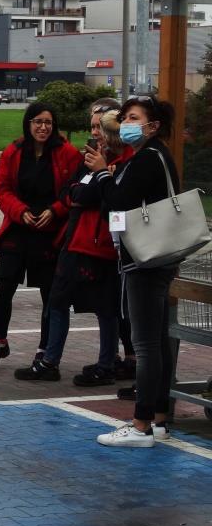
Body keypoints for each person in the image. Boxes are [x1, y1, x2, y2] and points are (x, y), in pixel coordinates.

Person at [86, 96, 179, 448]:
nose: (125, 123)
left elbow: (119, 201)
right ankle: (158, 419)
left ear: (152, 126)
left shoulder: (147, 158)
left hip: (145, 260)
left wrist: (101, 173)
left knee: (146, 344)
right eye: (124, 117)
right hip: (159, 257)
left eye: (133, 118)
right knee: (157, 340)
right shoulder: (156, 155)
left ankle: (141, 426)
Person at [14, 103, 129, 384]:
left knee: (105, 307)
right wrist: (83, 189)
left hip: (100, 244)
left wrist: (91, 185)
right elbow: (70, 192)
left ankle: (106, 364)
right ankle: (50, 361)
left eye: (100, 127)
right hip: (75, 239)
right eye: (92, 127)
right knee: (57, 300)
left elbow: (96, 196)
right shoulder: (90, 160)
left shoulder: (122, 161)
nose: (95, 133)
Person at [0, 102, 82, 369]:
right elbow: (1, 188)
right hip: (18, 228)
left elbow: (74, 190)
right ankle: (0, 343)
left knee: (49, 294)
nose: (43, 127)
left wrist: (55, 210)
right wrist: (20, 211)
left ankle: (43, 349)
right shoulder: (13, 151)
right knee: (4, 287)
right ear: (28, 124)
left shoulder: (67, 153)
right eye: (37, 122)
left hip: (50, 233)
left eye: (48, 122)